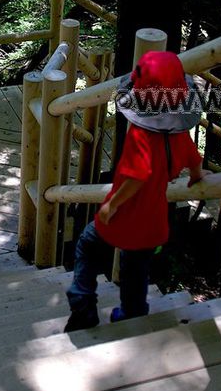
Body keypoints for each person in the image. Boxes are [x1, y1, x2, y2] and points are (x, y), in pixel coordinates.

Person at [64, 50, 204, 332]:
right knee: (135, 271)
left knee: (87, 246)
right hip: (152, 224)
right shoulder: (179, 135)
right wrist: (198, 178)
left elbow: (138, 176)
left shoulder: (141, 135)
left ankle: (83, 306)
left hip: (124, 216)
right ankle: (132, 315)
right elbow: (194, 160)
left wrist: (111, 205)